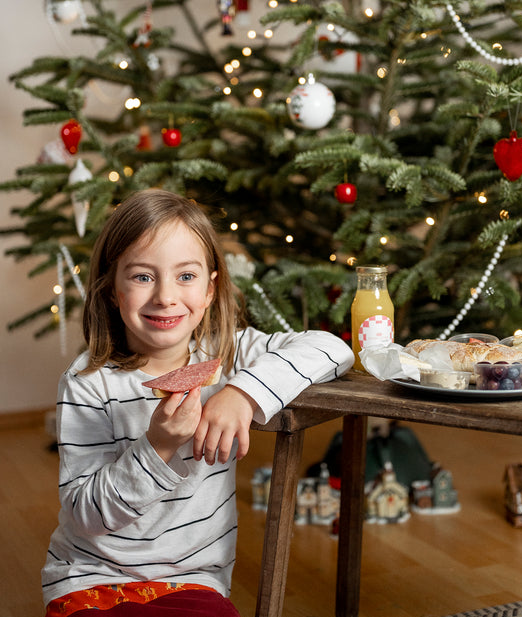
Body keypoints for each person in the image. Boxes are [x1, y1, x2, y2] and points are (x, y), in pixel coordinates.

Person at [42, 189, 354, 616]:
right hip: (92, 578)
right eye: (142, 277)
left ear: (211, 289)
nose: (165, 297)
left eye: (186, 276)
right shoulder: (87, 382)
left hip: (192, 580)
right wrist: (157, 447)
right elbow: (85, 515)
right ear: (113, 289)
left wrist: (241, 393)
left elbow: (332, 349)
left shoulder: (229, 354)